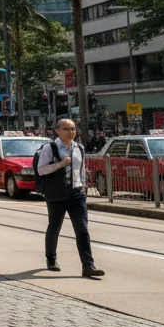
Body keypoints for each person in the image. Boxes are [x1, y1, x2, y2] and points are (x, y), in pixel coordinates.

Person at [37, 118, 104, 277]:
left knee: (82, 230)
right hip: (57, 194)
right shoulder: (50, 148)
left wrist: (83, 188)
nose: (70, 132)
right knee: (54, 227)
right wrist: (60, 164)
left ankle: (88, 266)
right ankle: (51, 259)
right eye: (66, 129)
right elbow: (41, 170)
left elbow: (80, 170)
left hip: (77, 194)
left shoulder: (79, 148)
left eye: (73, 129)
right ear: (57, 131)